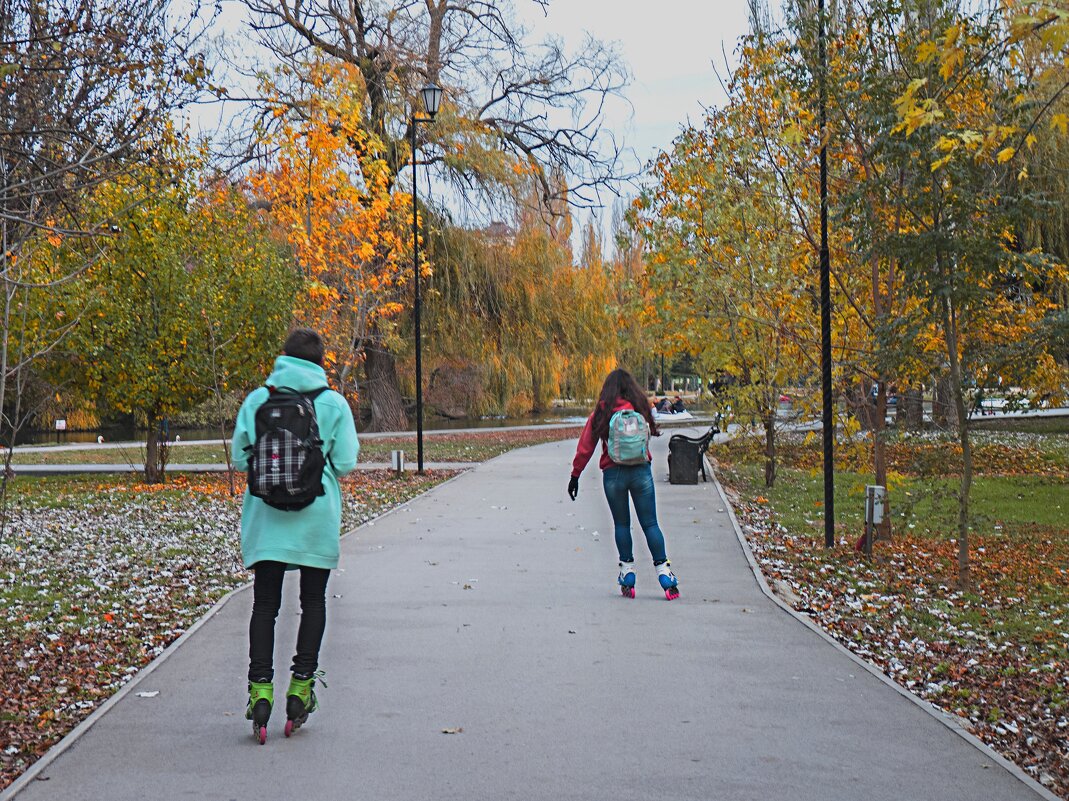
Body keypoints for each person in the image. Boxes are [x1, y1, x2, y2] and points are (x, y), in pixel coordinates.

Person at [232, 328, 359, 744]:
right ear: (320, 363)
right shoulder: (333, 403)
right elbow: (344, 463)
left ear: (283, 358)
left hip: (266, 522)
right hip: (316, 521)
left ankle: (260, 692)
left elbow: (238, 458)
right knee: (312, 602)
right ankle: (301, 689)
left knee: (265, 604)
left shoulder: (257, 401)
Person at [567, 368, 680, 600]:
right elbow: (651, 434)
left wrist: (575, 475)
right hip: (641, 471)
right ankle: (665, 574)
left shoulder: (602, 410)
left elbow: (586, 446)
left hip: (613, 473)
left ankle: (627, 573)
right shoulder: (640, 406)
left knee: (621, 524)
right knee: (650, 524)